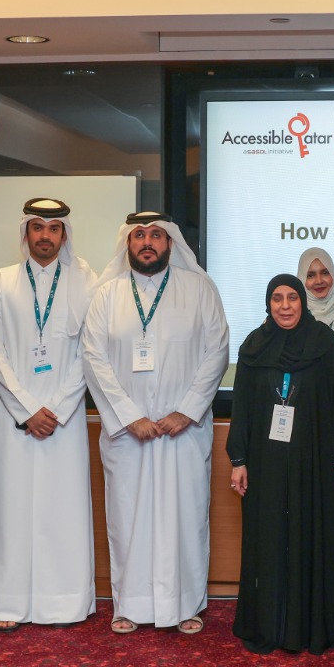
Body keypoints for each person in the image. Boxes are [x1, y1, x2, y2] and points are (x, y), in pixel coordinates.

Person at [82, 212, 229, 635]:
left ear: (172, 243)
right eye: (139, 236)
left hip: (184, 431)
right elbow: (94, 359)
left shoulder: (199, 290)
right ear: (128, 244)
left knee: (185, 516)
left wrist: (186, 410)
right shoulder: (106, 295)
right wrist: (130, 417)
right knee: (128, 516)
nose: (148, 242)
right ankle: (129, 605)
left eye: (157, 236)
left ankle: (185, 605)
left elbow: (217, 350)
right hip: (129, 435)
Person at [0, 199, 98, 631]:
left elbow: (89, 353)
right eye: (37, 227)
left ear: (64, 235)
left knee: (62, 511)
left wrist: (58, 409)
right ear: (25, 232)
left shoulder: (86, 281)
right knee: (11, 508)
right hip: (15, 420)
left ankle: (63, 603)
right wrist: (28, 410)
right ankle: (7, 603)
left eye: (53, 228)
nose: (45, 236)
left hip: (64, 422)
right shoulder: (0, 281)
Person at [227, 275, 334, 654]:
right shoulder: (254, 346)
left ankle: (310, 628)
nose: (285, 306)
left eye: (292, 298)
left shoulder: (325, 344)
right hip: (265, 461)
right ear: (268, 304)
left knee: (311, 534)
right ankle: (270, 626)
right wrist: (238, 459)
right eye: (277, 299)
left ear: (303, 303)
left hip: (314, 458)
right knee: (268, 539)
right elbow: (243, 409)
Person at [297, 246, 334, 345]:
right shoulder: (291, 318)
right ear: (301, 279)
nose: (319, 281)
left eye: (325, 273)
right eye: (310, 275)